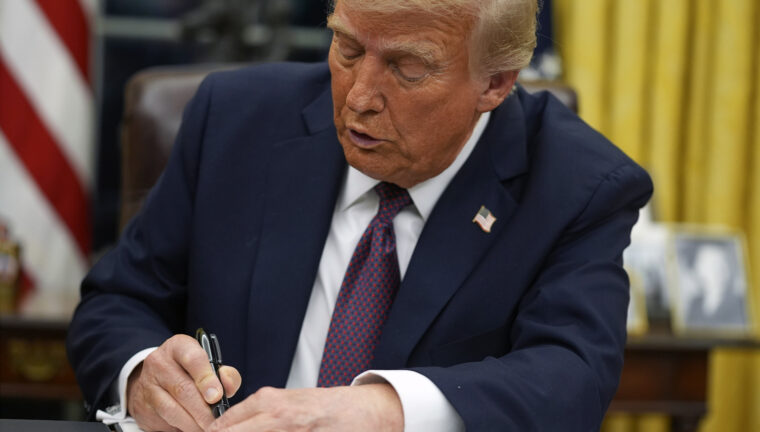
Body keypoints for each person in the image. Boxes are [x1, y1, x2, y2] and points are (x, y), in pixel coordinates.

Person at [67, 0, 653, 430]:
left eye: (407, 68)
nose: (358, 97)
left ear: (495, 84)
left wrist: (382, 409)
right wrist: (143, 375)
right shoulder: (234, 121)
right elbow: (119, 300)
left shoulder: (578, 187)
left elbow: (571, 380)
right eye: (347, 49)